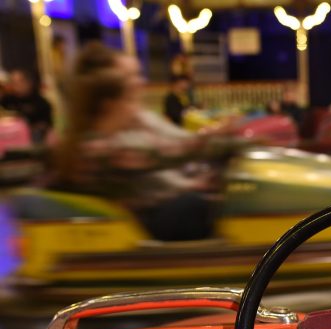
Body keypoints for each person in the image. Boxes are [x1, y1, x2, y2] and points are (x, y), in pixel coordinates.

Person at [56, 44, 236, 242]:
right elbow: (171, 152)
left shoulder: (98, 140)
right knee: (195, 205)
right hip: (143, 223)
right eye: (128, 100)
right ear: (110, 105)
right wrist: (233, 144)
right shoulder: (103, 148)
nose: (135, 107)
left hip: (143, 214)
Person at [0, 70, 53, 144]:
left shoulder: (41, 103)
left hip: (34, 141)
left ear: (29, 82)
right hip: (8, 141)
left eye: (19, 81)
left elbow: (47, 125)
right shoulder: (8, 100)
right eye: (13, 82)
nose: (16, 85)